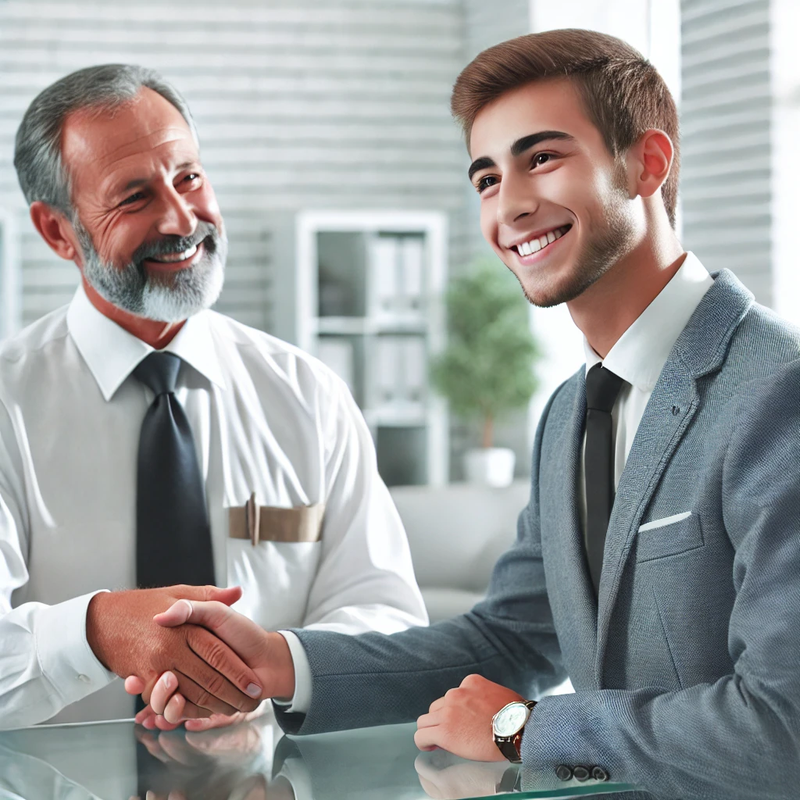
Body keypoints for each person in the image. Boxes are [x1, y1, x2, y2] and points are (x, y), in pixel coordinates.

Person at [136, 29, 800, 800]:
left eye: (543, 158)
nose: (511, 204)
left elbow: (782, 729)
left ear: (647, 163)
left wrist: (522, 731)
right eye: (487, 177)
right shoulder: (570, 415)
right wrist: (279, 663)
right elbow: (508, 639)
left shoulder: (775, 391)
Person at [0, 64, 428, 730]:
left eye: (189, 177)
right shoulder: (7, 405)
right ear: (58, 232)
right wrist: (96, 629)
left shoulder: (307, 394)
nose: (181, 217)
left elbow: (388, 616)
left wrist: (274, 672)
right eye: (134, 196)